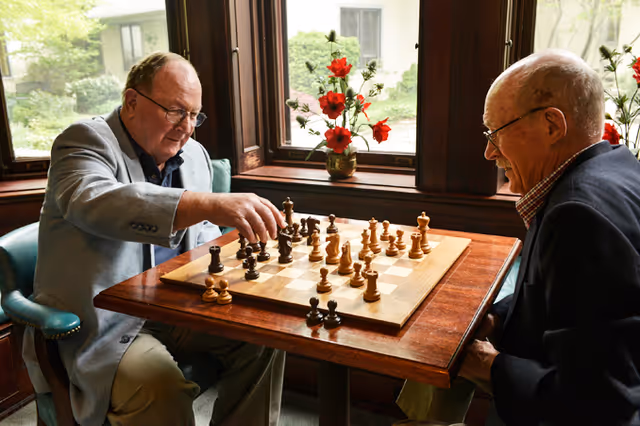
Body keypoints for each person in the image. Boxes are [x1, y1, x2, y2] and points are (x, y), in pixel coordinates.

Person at [22, 52, 287, 426]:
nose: (187, 127)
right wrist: (208, 203)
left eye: (195, 115)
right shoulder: (83, 142)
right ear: (132, 102)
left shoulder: (193, 154)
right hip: (103, 321)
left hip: (176, 307)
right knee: (160, 386)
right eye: (176, 111)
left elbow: (202, 237)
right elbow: (92, 202)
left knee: (267, 336)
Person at [397, 49, 640, 426]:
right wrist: (493, 320)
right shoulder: (614, 166)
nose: (488, 151)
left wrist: (479, 361)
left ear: (551, 126)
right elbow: (552, 299)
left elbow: (599, 402)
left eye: (495, 132)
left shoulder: (578, 216)